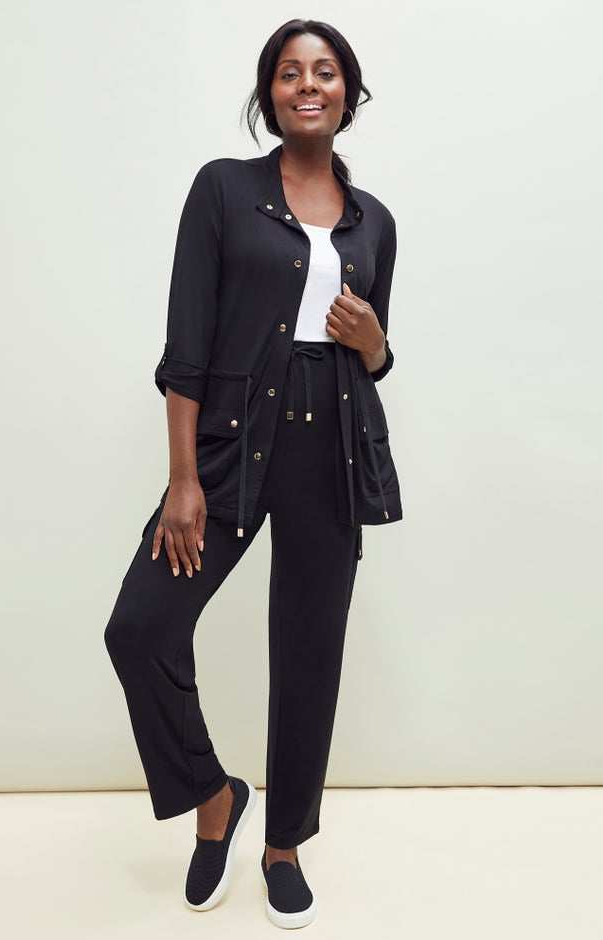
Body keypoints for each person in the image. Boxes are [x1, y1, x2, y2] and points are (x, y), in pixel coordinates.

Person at [104, 17, 402, 930]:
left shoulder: (374, 221)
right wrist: (182, 478)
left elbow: (375, 355)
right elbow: (186, 346)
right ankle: (213, 797)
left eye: (325, 71)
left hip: (332, 448)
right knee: (140, 628)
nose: (307, 84)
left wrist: (374, 342)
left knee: (309, 655)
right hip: (234, 443)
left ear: (348, 92)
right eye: (289, 72)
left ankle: (283, 848)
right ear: (268, 93)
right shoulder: (224, 190)